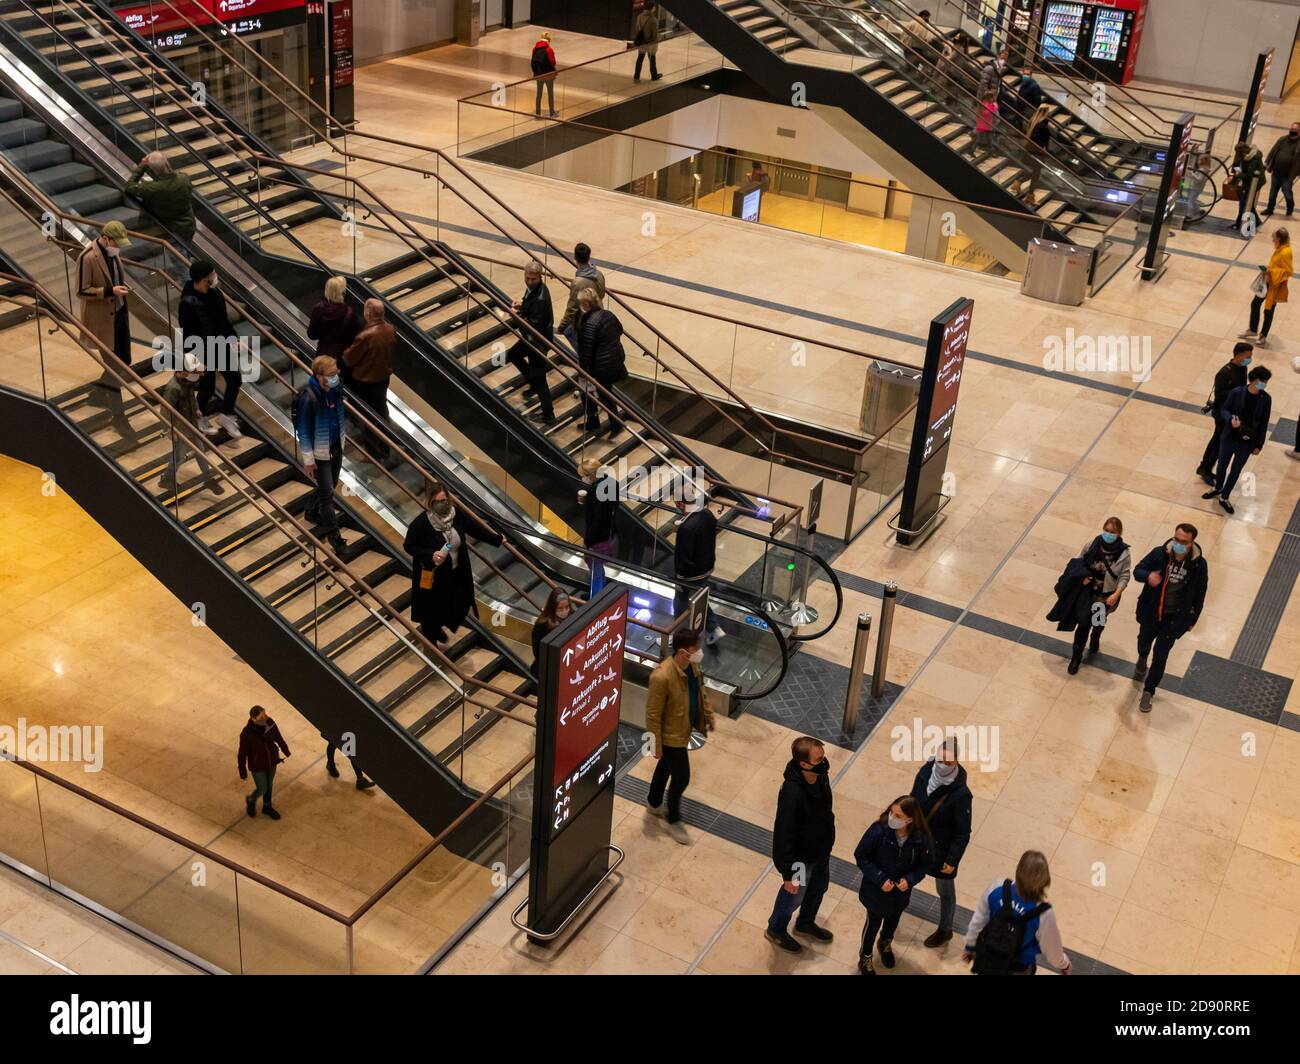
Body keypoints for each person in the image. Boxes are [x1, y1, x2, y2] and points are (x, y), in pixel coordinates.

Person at [403, 482, 505, 646]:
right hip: (433, 575)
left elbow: (474, 528)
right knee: (432, 610)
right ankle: (431, 639)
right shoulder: (421, 523)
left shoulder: (456, 515)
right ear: (430, 502)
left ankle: (438, 627)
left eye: (444, 500)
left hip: (455, 572)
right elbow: (409, 545)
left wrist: (497, 540)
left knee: (459, 603)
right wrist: (430, 554)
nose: (442, 504)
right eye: (437, 501)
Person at [765, 735, 836, 953]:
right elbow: (783, 834)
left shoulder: (820, 776)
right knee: (793, 896)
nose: (824, 762)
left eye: (823, 756)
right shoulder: (792, 793)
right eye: (819, 759)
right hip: (800, 860)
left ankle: (805, 922)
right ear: (803, 763)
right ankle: (776, 929)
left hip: (820, 850)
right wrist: (788, 872)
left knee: (818, 888)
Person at [644, 628, 715, 845]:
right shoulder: (662, 676)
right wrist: (654, 744)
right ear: (683, 651)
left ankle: (654, 803)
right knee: (682, 777)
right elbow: (652, 714)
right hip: (670, 735)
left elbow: (700, 691)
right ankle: (673, 818)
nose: (699, 652)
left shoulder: (692, 665)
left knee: (666, 766)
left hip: (683, 728)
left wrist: (708, 714)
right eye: (695, 649)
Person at [1133, 523, 1208, 712]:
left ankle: (1149, 691)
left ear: (1191, 543)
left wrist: (1192, 619)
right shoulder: (1159, 554)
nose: (1178, 544)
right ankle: (1142, 657)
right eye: (1176, 539)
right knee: (1144, 642)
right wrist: (1148, 575)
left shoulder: (1199, 564)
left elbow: (1200, 592)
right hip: (1151, 613)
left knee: (1160, 656)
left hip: (1173, 619)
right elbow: (1137, 570)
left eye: (1183, 541)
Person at [853, 795, 932, 975]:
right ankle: (865, 956)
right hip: (875, 891)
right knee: (872, 923)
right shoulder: (878, 831)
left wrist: (910, 879)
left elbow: (926, 863)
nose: (892, 818)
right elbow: (861, 856)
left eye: (898, 816)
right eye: (892, 812)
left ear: (909, 820)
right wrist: (880, 878)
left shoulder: (920, 839)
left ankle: (885, 943)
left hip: (899, 894)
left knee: (893, 920)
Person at [964, 850, 1071, 975]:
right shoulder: (1043, 913)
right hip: (1018, 967)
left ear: (1018, 870)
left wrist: (970, 946)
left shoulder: (997, 887)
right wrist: (1064, 964)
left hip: (988, 957)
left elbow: (979, 920)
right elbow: (1052, 951)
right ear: (1045, 880)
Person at [910, 737, 971, 948]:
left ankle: (945, 929)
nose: (943, 765)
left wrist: (952, 860)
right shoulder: (926, 771)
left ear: (957, 762)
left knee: (945, 891)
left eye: (949, 762)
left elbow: (962, 832)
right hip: (917, 840)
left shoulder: (961, 794)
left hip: (940, 850)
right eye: (940, 759)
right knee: (905, 878)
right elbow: (912, 800)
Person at [180, 259, 242, 439]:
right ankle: (199, 416)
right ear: (203, 279)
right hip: (202, 351)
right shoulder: (187, 303)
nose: (214, 277)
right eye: (211, 275)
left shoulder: (215, 294)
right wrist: (195, 360)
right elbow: (188, 335)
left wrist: (233, 338)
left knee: (235, 379)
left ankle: (226, 415)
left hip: (220, 345)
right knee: (207, 387)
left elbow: (223, 321)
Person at [1061, 517, 1131, 673]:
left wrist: (1117, 593)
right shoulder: (1092, 544)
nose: (1108, 534)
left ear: (1119, 533)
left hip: (1103, 597)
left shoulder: (1123, 552)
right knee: (1083, 625)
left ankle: (1096, 636)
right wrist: (1081, 577)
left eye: (1112, 532)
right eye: (1106, 530)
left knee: (1098, 621)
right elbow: (1077, 563)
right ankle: (1076, 658)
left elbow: (1125, 575)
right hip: (1086, 594)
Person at [1202, 365, 1273, 515]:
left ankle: (1225, 496)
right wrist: (1230, 420)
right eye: (1263, 381)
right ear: (1253, 380)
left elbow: (1264, 423)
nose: (1265, 384)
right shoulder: (1237, 392)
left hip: (1248, 441)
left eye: (1266, 381)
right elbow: (1224, 410)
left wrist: (1259, 444)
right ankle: (1218, 487)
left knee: (1235, 470)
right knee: (1222, 465)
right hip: (1230, 437)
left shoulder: (1265, 399)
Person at [295, 354, 348, 552]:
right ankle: (334, 536)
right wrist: (308, 460)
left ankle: (310, 510)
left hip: (335, 445)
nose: (336, 375)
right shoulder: (309, 398)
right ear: (319, 375)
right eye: (332, 373)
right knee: (328, 494)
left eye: (336, 371)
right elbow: (304, 431)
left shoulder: (335, 390)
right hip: (319, 452)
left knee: (331, 485)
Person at [158, 353, 225, 496]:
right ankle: (167, 477)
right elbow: (164, 411)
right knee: (180, 455)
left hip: (191, 424)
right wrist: (170, 430)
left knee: (200, 451)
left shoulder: (186, 383)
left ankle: (208, 478)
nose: (196, 375)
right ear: (182, 372)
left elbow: (191, 398)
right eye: (193, 372)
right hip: (180, 428)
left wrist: (196, 409)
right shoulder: (173, 388)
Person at [341, 298, 397, 459]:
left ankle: (373, 453)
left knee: (366, 417)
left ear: (368, 314)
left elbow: (349, 358)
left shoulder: (365, 335)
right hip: (383, 378)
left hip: (365, 381)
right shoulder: (390, 329)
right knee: (382, 412)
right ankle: (386, 449)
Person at [672, 487, 724, 646]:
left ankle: (675, 636)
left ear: (681, 504)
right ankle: (714, 627)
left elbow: (684, 556)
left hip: (691, 573)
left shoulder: (686, 529)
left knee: (680, 604)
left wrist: (680, 579)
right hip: (707, 567)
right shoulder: (707, 514)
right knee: (699, 598)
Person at [1195, 342, 1253, 485]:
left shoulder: (1243, 368)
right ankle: (1205, 468)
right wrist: (1238, 393)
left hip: (1233, 412)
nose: (1250, 359)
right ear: (1239, 356)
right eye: (1248, 356)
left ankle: (1205, 467)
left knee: (1218, 440)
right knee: (1219, 441)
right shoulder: (1225, 372)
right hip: (1222, 413)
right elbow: (1219, 394)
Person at [573, 287, 627, 437]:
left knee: (602, 394)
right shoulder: (608, 314)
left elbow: (586, 350)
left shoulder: (589, 322)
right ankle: (593, 421)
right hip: (615, 360)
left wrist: (583, 371)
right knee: (594, 392)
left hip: (600, 366)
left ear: (586, 305)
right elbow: (620, 329)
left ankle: (615, 425)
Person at [507, 260, 556, 425]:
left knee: (540, 379)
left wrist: (516, 316)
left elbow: (533, 324)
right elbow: (530, 304)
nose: (529, 282)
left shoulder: (541, 297)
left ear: (539, 277)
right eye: (527, 278)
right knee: (513, 355)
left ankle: (549, 415)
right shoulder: (536, 290)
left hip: (538, 342)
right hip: (531, 340)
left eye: (533, 279)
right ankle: (533, 383)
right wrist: (522, 305)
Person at [124, 150, 195, 239]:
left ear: (152, 170)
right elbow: (167, 179)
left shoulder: (154, 188)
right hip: (188, 226)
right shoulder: (184, 178)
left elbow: (130, 186)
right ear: (167, 164)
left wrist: (142, 166)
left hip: (170, 230)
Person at [1241, 227, 1291, 348]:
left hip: (1275, 285)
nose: (1272, 238)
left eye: (1274, 236)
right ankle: (1253, 329)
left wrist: (1270, 271)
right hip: (1268, 282)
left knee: (1268, 310)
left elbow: (1287, 271)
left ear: (1279, 238)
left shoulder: (1286, 252)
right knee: (1255, 304)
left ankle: (1263, 335)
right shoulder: (1279, 249)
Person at [237, 705, 290, 820]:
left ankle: (267, 807)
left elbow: (278, 737)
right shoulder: (247, 733)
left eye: (265, 714)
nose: (266, 717)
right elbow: (242, 754)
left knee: (269, 785)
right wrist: (243, 771)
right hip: (258, 766)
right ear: (254, 719)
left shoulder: (270, 723)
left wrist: (285, 750)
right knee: (263, 788)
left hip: (272, 761)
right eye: (262, 716)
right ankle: (251, 799)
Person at [579, 457, 618, 595]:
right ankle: (597, 593)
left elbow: (596, 520)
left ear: (592, 475)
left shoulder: (595, 493)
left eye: (584, 476)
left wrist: (587, 542)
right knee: (599, 567)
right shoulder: (612, 483)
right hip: (610, 535)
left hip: (597, 540)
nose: (583, 479)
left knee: (595, 571)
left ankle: (595, 600)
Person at [558, 242, 607, 338]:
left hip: (584, 324)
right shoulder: (599, 274)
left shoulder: (577, 283)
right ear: (589, 257)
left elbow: (572, 308)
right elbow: (602, 294)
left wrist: (563, 325)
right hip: (599, 317)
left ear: (575, 258)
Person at [307, 275, 361, 360]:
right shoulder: (349, 312)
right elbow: (356, 336)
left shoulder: (318, 308)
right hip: (342, 356)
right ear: (343, 291)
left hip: (323, 354)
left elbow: (312, 335)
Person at [1011, 102, 1052, 198]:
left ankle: (1025, 189)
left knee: (1035, 173)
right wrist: (1042, 148)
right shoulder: (1042, 125)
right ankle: (1028, 193)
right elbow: (1037, 138)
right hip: (1037, 153)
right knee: (1036, 174)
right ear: (1046, 112)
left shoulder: (1033, 121)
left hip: (1030, 150)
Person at [530, 588, 572, 678]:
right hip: (545, 672)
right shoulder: (542, 626)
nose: (565, 611)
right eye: (560, 608)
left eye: (567, 607)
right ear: (552, 608)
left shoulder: (573, 616)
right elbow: (538, 652)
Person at [1263, 122, 1300, 217]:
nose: (1292, 131)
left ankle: (1290, 208)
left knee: (1287, 193)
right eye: (1292, 129)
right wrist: (1266, 162)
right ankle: (1269, 209)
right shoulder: (1282, 139)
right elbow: (1273, 151)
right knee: (1272, 193)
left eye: (1295, 130)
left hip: (1288, 175)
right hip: (1276, 172)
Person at [1231, 141, 1266, 233]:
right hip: (1249, 182)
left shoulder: (1254, 159)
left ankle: (1255, 222)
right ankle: (1239, 222)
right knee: (1245, 203)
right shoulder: (1246, 156)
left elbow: (1250, 175)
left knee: (1245, 204)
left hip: (1254, 183)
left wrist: (1239, 174)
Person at [633, 1, 662, 82]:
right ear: (652, 8)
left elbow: (637, 29)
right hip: (650, 43)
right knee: (652, 59)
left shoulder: (639, 17)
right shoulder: (653, 20)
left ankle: (636, 75)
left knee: (640, 58)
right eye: (654, 7)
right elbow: (655, 35)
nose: (655, 8)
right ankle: (654, 75)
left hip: (641, 41)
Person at [531, 30, 557, 117]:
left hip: (538, 74)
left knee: (539, 93)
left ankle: (538, 112)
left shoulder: (535, 49)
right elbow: (553, 62)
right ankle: (551, 112)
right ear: (549, 40)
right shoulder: (549, 50)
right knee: (550, 93)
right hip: (548, 75)